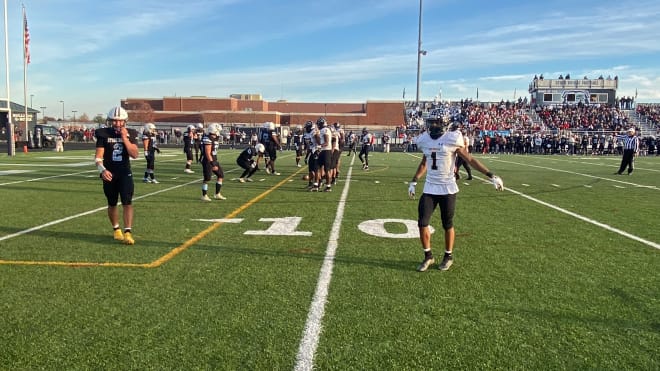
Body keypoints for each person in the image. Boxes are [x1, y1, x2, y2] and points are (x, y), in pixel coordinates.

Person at [408, 116, 504, 272]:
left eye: (436, 122)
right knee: (422, 222)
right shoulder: (424, 139)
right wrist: (414, 180)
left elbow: (470, 159)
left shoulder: (453, 138)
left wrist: (491, 175)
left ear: (444, 123)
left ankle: (448, 256)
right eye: (431, 122)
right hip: (430, 187)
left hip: (447, 188)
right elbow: (424, 161)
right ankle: (428, 256)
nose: (433, 125)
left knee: (447, 224)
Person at [94, 106, 140, 245]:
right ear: (110, 121)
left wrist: (125, 138)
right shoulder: (103, 134)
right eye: (114, 121)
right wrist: (102, 170)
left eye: (120, 121)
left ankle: (128, 232)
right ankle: (116, 229)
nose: (117, 124)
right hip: (109, 172)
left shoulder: (130, 133)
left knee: (127, 202)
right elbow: (98, 158)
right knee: (112, 203)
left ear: (125, 121)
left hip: (125, 172)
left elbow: (135, 154)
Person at [200, 123, 226, 201]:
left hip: (214, 160)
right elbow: (208, 153)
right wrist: (212, 164)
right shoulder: (207, 138)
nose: (219, 132)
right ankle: (204, 195)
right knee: (207, 179)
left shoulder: (214, 137)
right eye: (218, 130)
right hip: (208, 161)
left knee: (221, 175)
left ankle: (217, 194)